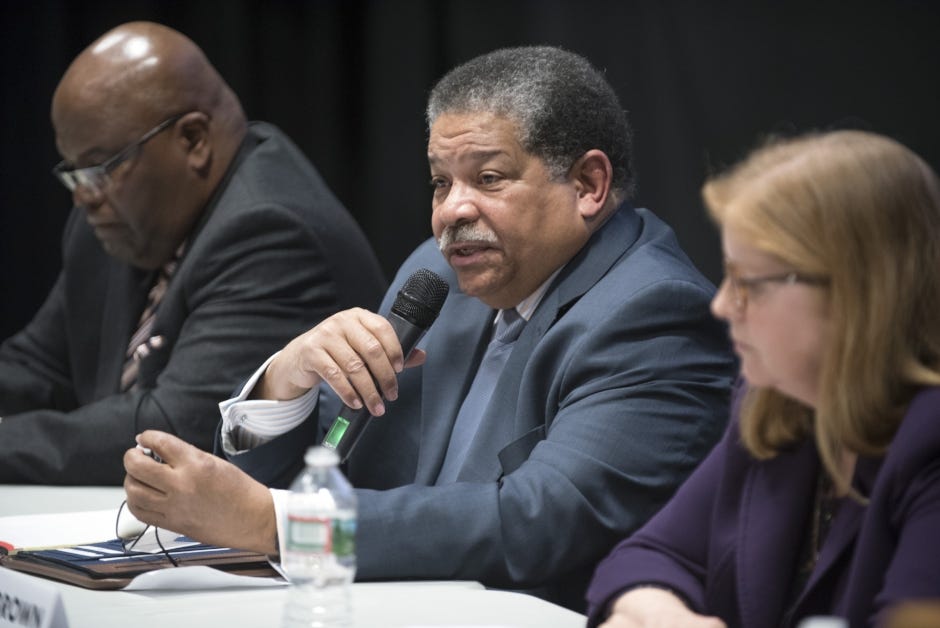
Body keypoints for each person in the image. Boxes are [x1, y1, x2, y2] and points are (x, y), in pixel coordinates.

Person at [124, 46, 735, 610]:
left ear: (588, 185)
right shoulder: (439, 275)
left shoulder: (655, 315)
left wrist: (278, 523)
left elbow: (540, 520)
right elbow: (316, 465)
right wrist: (286, 380)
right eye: (442, 182)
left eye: (489, 178)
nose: (451, 212)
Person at [0, 22, 386, 484]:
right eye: (75, 173)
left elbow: (173, 430)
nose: (84, 196)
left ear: (194, 140)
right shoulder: (119, 219)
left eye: (100, 168)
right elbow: (38, 366)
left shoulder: (273, 231)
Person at [586, 130, 940, 626]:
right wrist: (664, 615)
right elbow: (646, 555)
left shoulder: (928, 441)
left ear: (856, 292)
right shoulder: (777, 402)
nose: (721, 305)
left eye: (748, 282)